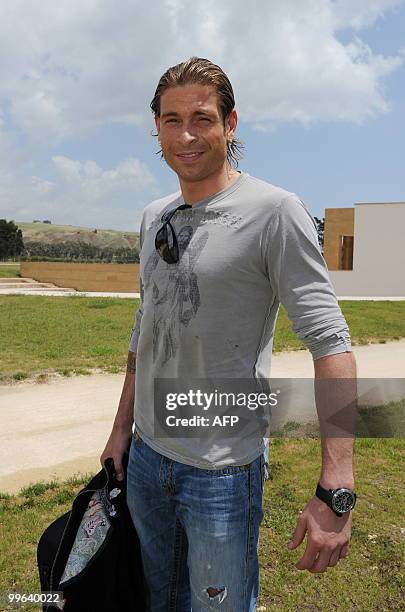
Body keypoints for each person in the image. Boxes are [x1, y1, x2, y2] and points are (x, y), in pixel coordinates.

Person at [100, 57, 357, 611]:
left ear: (230, 123)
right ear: (157, 129)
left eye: (202, 118)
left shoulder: (275, 212)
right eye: (171, 120)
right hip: (147, 458)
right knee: (156, 600)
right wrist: (122, 431)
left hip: (222, 472)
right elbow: (145, 328)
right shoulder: (154, 215)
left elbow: (331, 343)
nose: (186, 135)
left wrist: (337, 486)